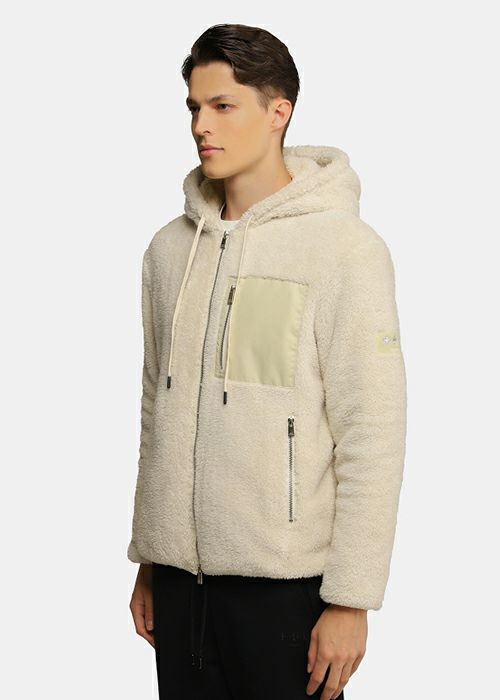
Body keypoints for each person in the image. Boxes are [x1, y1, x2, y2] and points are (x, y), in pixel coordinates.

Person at [128, 22, 407, 700]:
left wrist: (351, 598)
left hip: (286, 593)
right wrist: (152, 554)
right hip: (180, 589)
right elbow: (156, 408)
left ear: (279, 111)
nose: (202, 125)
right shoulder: (169, 250)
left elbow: (372, 430)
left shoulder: (343, 251)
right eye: (194, 107)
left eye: (223, 106)